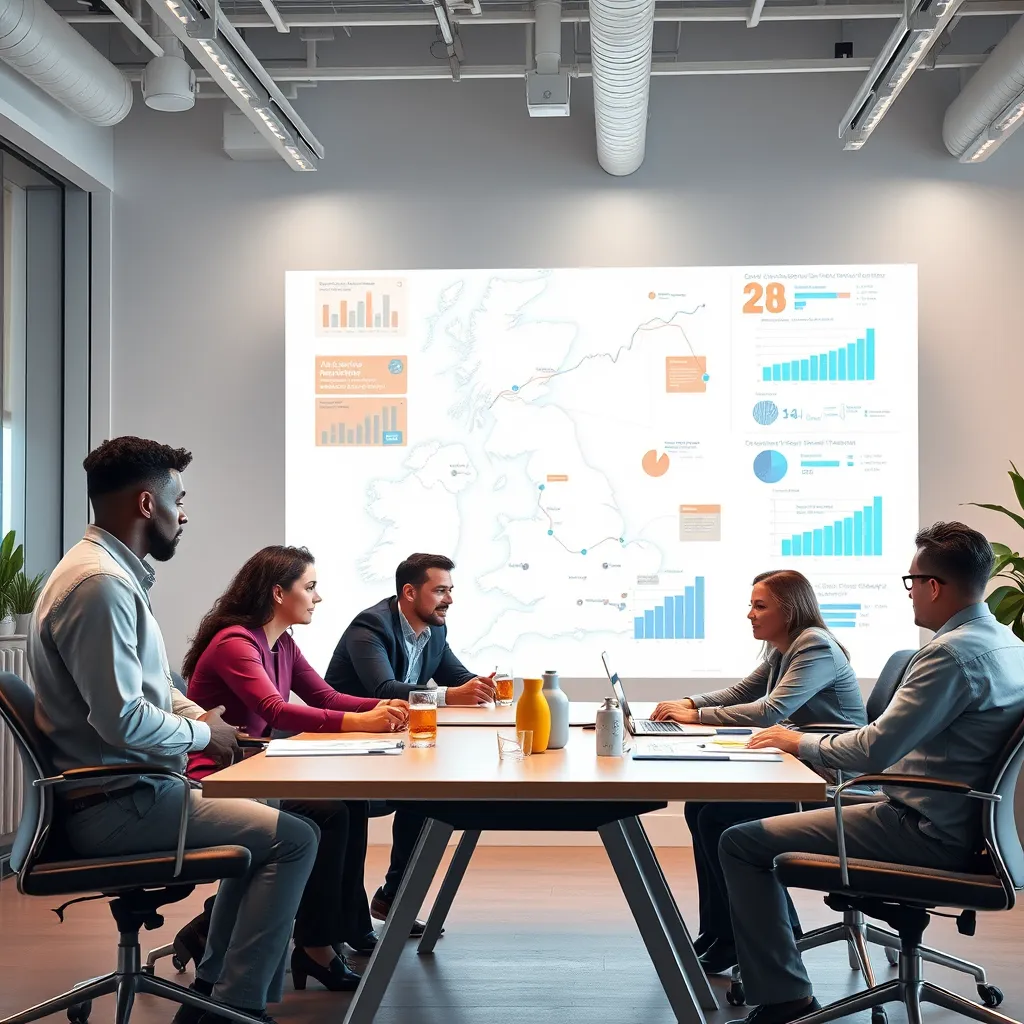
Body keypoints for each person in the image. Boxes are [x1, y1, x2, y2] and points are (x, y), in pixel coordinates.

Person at [28, 437, 318, 1024]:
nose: (182, 514)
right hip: (115, 804)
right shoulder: (99, 586)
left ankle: (213, 986)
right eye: (177, 500)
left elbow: (154, 690)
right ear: (144, 504)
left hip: (125, 792)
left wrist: (207, 722)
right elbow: (121, 719)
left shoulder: (111, 576)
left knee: (269, 818)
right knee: (296, 839)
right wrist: (201, 737)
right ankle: (230, 1009)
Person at [719, 522, 1024, 1024]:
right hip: (980, 827)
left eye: (910, 582)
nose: (909, 596)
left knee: (739, 842)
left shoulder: (948, 654)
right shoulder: (1008, 642)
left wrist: (798, 740)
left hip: (925, 828)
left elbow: (874, 749)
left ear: (932, 586)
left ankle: (784, 997)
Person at [182, 546, 410, 990]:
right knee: (328, 813)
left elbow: (325, 697)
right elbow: (276, 709)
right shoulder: (236, 643)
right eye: (309, 587)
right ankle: (315, 947)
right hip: (218, 777)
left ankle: (330, 932)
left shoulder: (281, 642)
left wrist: (387, 706)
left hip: (254, 769)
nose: (317, 598)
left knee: (348, 803)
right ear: (277, 592)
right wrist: (361, 721)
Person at [650, 570, 867, 974]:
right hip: (799, 763)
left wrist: (695, 715)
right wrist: (684, 702)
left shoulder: (814, 645)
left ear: (789, 610)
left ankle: (749, 937)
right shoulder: (783, 648)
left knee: (718, 816)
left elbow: (772, 711)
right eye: (751, 604)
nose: (749, 614)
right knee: (700, 806)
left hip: (830, 774)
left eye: (759, 605)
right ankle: (720, 931)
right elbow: (742, 693)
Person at [325, 553, 495, 932]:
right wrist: (452, 696)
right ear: (408, 591)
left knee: (431, 797)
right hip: (349, 748)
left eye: (450, 591)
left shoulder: (435, 630)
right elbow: (383, 690)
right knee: (417, 798)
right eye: (440, 591)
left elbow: (458, 676)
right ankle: (350, 923)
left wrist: (484, 688)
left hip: (393, 744)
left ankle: (393, 898)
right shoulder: (370, 626)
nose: (449, 599)